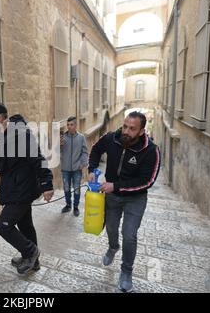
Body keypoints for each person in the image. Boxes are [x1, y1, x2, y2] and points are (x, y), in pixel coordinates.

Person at [0, 103, 54, 275]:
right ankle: (33, 262)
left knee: (3, 226)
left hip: (21, 190)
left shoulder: (21, 135)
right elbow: (0, 162)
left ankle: (30, 252)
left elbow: (39, 158)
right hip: (17, 188)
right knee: (25, 226)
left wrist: (47, 184)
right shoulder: (6, 134)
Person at [88, 111, 160, 293]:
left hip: (135, 199)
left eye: (132, 129)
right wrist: (92, 168)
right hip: (112, 197)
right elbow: (96, 149)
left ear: (142, 131)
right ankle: (113, 247)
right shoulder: (112, 138)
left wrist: (116, 186)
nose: (126, 131)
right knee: (111, 228)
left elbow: (147, 181)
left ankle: (126, 271)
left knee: (129, 234)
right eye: (125, 126)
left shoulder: (151, 150)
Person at [60, 116, 89, 216]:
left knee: (77, 188)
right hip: (65, 169)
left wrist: (82, 163)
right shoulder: (62, 137)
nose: (69, 127)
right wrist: (59, 145)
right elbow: (56, 152)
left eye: (71, 124)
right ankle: (68, 205)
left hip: (77, 168)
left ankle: (76, 207)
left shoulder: (81, 138)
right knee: (66, 188)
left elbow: (85, 152)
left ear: (75, 125)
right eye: (68, 125)